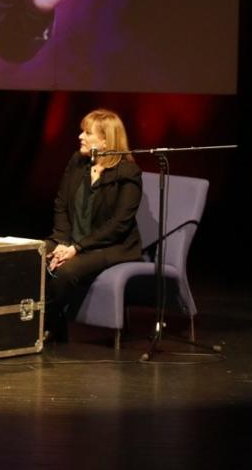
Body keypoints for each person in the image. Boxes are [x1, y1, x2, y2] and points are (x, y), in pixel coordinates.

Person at [45, 109, 143, 340]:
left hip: (109, 246)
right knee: (30, 256)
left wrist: (76, 248)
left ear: (106, 140)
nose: (80, 136)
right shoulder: (78, 162)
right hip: (71, 241)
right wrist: (62, 241)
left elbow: (118, 225)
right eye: (82, 131)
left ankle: (45, 324)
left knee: (66, 271)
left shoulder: (127, 173)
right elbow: (61, 204)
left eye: (87, 132)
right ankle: (54, 324)